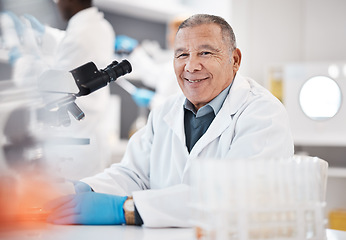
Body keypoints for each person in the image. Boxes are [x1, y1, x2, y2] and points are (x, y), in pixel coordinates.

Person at [45, 14, 294, 227]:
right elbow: (134, 175)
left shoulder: (263, 114)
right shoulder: (165, 112)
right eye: (182, 54)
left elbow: (233, 196)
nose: (191, 65)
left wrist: (126, 209)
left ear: (235, 60)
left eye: (205, 53)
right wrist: (85, 189)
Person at [20, 0, 116, 179]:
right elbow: (68, 43)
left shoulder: (80, 34)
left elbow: (53, 87)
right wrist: (45, 33)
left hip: (74, 140)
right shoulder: (101, 27)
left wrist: (24, 60)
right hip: (92, 136)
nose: (57, 4)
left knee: (69, 201)